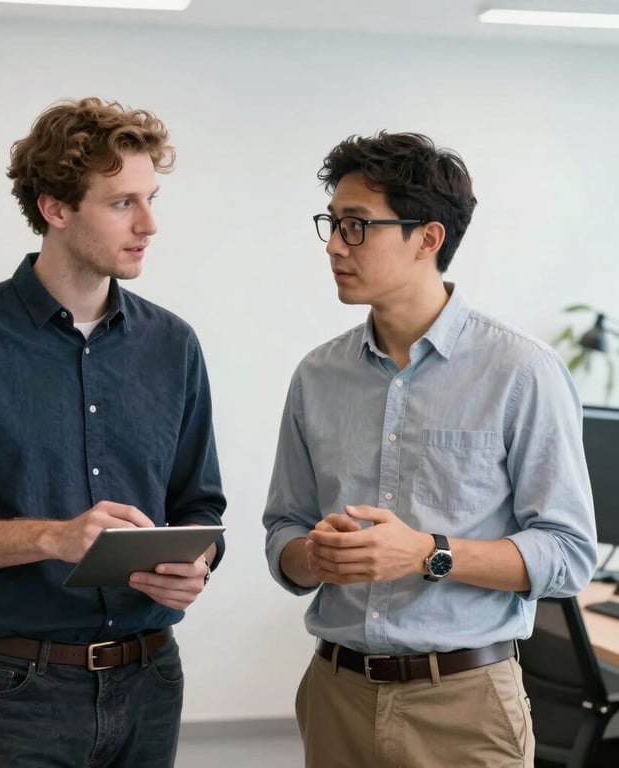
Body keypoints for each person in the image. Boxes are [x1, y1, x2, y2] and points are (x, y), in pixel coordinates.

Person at [0, 97, 226, 768]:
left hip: (152, 679)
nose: (150, 224)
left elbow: (200, 505)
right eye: (123, 203)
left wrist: (199, 564)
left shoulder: (173, 345)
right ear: (56, 209)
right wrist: (52, 537)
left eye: (151, 198)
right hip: (14, 692)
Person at [262, 131, 597, 768]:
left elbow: (570, 553)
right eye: (332, 225)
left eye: (357, 226)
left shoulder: (520, 371)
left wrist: (427, 554)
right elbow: (284, 531)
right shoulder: (316, 376)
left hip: (465, 708)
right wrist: (315, 556)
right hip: (335, 696)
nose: (335, 245)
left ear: (428, 238)